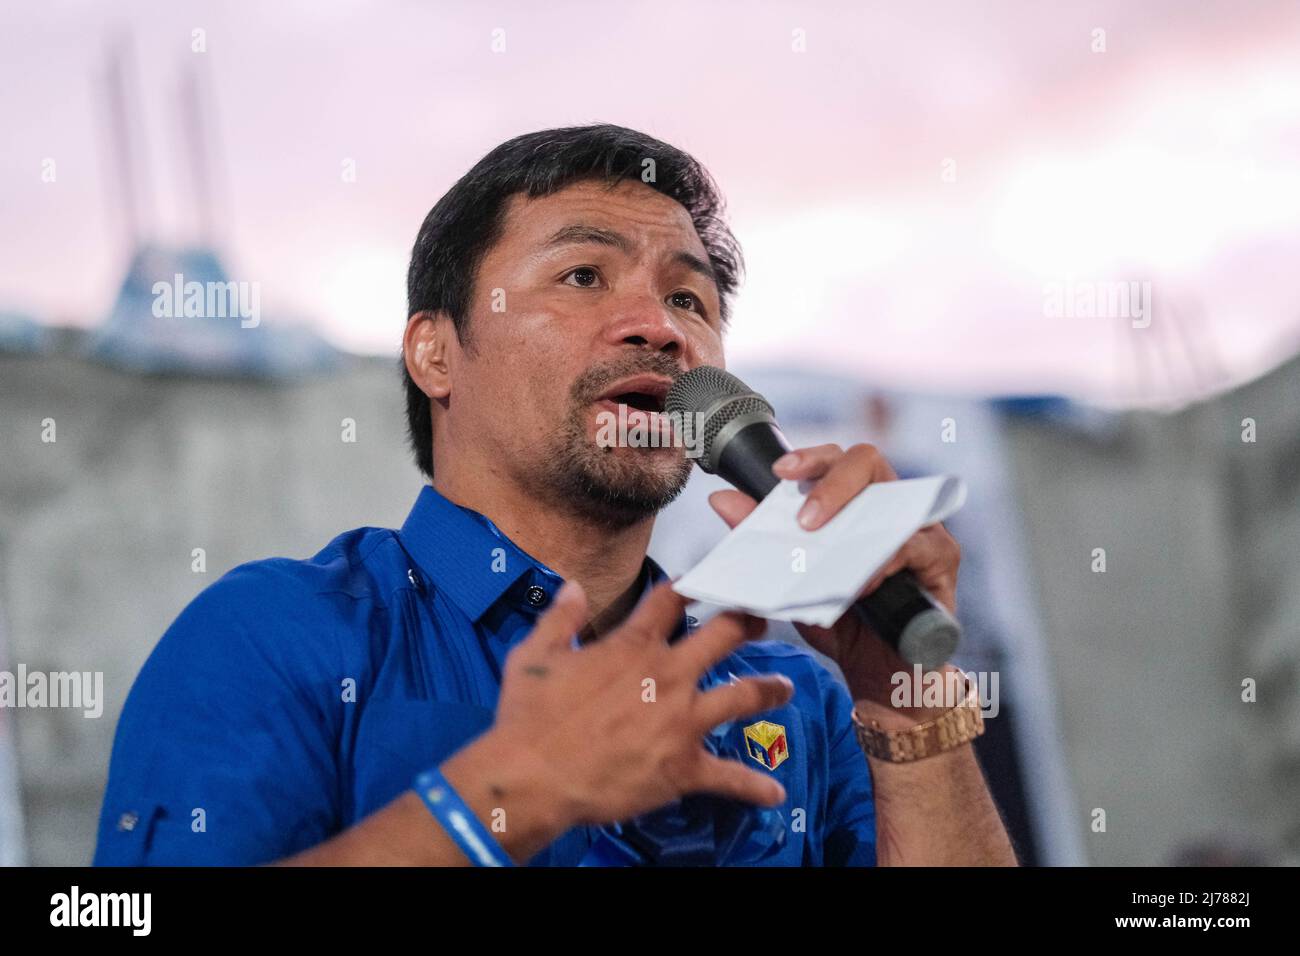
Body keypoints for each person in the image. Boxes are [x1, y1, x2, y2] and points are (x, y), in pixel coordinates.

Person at [94, 124, 1017, 866]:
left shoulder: (795, 696)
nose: (660, 328)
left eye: (691, 301)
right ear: (436, 352)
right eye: (583, 275)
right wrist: (510, 796)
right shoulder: (273, 638)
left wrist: (907, 706)